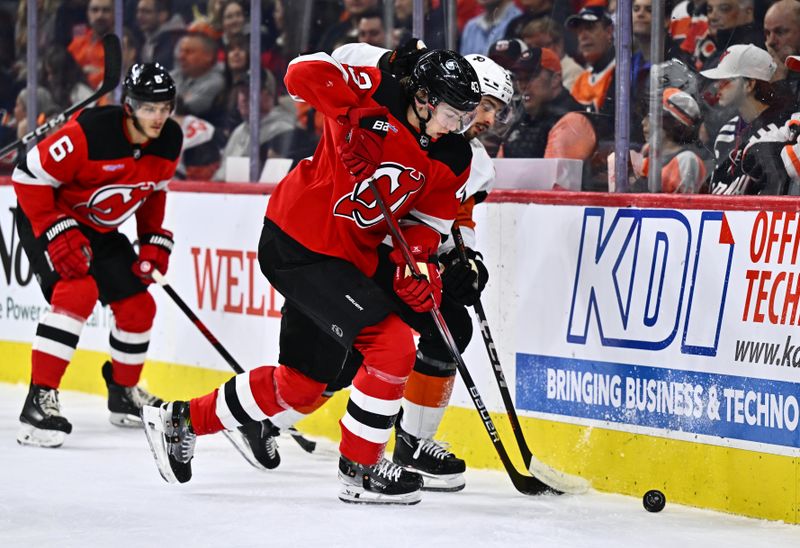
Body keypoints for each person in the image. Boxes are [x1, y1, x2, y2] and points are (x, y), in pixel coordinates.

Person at [142, 48, 481, 505]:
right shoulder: (377, 91)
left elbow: (428, 222)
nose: (454, 126)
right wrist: (359, 117)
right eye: (448, 114)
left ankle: (181, 420)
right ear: (422, 98)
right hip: (300, 241)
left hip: (348, 258)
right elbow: (301, 73)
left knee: (302, 383)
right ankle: (360, 467)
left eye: (463, 117)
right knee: (391, 343)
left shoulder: (454, 153)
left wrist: (413, 264)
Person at [242, 41, 512, 491]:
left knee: (448, 328)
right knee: (339, 361)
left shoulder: (467, 157)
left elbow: (453, 218)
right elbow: (333, 67)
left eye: (493, 111)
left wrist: (466, 262)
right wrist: (384, 65)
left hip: (394, 255)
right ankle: (273, 420)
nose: (482, 120)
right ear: (436, 96)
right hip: (351, 249)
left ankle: (412, 442)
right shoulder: (387, 96)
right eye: (481, 105)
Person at [12, 63, 183, 448]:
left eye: (165, 107)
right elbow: (27, 176)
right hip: (51, 218)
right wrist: (54, 228)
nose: (158, 117)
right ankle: (38, 402)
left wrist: (152, 237)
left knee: (139, 307)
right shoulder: (89, 134)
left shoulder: (170, 139)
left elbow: (152, 190)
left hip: (99, 230)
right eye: (149, 108)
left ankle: (123, 393)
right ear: (129, 106)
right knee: (77, 292)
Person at [700, 44, 790, 195]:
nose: (717, 86)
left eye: (725, 80)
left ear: (749, 84)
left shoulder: (780, 131)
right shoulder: (726, 131)